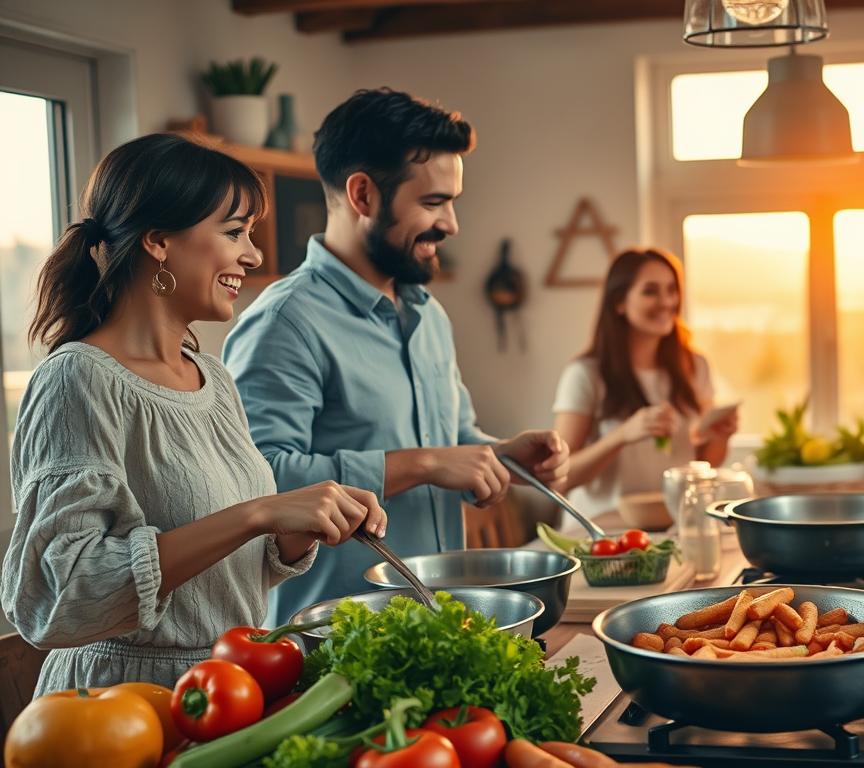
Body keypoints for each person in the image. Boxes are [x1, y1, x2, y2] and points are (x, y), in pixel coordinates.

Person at [1, 133, 386, 694]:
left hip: (232, 686)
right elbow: (59, 598)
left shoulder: (213, 379)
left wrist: (296, 532)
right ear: (158, 241)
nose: (252, 256)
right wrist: (258, 513)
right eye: (234, 233)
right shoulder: (78, 379)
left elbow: (226, 573)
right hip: (121, 703)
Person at [223, 89, 569, 627]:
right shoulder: (285, 322)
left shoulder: (428, 314)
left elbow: (450, 440)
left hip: (429, 622)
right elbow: (257, 479)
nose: (452, 224)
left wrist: (499, 455)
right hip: (331, 640)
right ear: (363, 195)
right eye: (433, 202)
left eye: (452, 202)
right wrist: (426, 463)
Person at [552, 248, 737, 519]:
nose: (667, 302)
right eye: (651, 291)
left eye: (672, 290)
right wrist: (623, 435)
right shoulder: (585, 374)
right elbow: (561, 476)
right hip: (602, 528)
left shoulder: (695, 367)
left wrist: (720, 435)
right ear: (619, 303)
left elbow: (703, 463)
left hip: (670, 523)